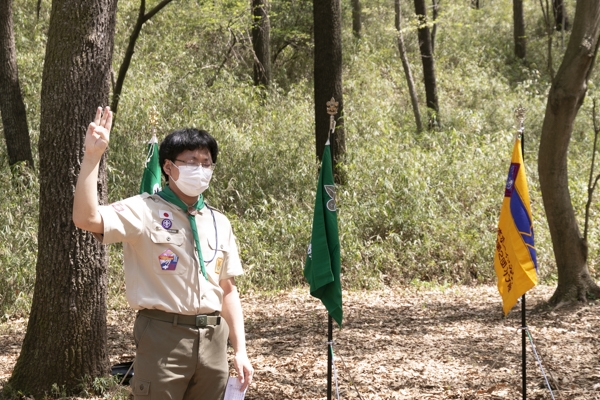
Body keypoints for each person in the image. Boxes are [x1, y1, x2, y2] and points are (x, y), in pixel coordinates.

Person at [73, 106, 254, 399]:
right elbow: (85, 218)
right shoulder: (144, 210)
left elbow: (227, 289)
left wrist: (241, 350)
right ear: (168, 167)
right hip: (163, 339)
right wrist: (92, 157)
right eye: (192, 161)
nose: (200, 168)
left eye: (206, 162)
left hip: (214, 343)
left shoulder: (219, 221)